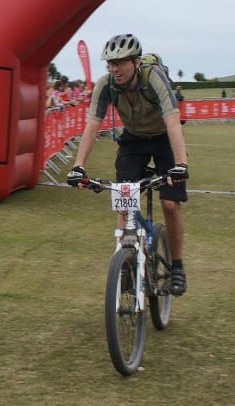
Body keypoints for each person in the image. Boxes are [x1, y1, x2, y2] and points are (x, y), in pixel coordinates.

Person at [66, 34, 189, 296]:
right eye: (110, 63)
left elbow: (172, 120)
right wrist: (78, 166)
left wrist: (180, 164)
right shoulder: (106, 84)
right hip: (133, 140)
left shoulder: (152, 78)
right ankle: (125, 263)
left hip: (163, 139)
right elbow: (92, 125)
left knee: (169, 203)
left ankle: (177, 266)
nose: (114, 68)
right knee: (124, 197)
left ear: (135, 62)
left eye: (120, 62)